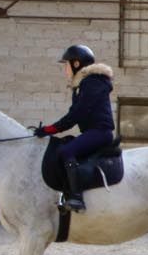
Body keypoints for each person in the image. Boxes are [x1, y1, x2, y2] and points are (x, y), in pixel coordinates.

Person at [32, 43, 115, 212]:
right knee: (64, 146)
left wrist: (50, 130)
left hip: (100, 133)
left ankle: (77, 198)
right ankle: (66, 192)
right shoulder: (82, 85)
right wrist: (50, 129)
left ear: (76, 64)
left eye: (66, 65)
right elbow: (74, 113)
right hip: (92, 132)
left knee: (66, 152)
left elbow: (76, 115)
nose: (65, 70)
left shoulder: (92, 83)